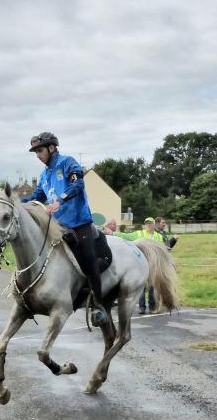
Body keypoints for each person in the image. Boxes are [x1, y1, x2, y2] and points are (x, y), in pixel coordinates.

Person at [22, 131, 108, 325]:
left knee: (88, 261)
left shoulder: (68, 163)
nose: (37, 155)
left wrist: (60, 201)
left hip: (79, 222)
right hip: (59, 227)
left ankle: (99, 305)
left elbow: (78, 184)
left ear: (52, 148)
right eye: (35, 152)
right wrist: (14, 203)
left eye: (40, 150)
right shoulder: (44, 175)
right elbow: (36, 196)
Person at [118, 217, 162, 313]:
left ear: (154, 225)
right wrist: (112, 233)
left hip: (153, 265)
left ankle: (152, 306)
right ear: (144, 225)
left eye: (150, 223)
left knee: (152, 286)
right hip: (140, 264)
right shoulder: (139, 234)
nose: (148, 225)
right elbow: (126, 236)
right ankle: (142, 307)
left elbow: (162, 250)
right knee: (141, 286)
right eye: (147, 223)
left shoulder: (159, 236)